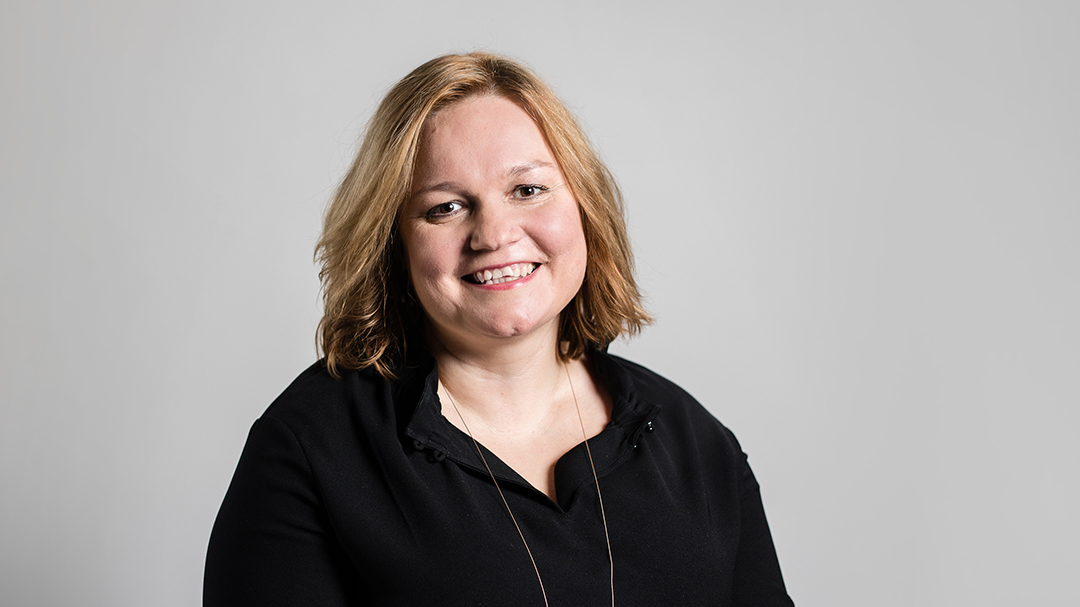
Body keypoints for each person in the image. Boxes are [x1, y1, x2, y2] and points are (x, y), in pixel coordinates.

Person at [204, 52, 795, 607]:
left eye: (527, 190)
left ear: (585, 208)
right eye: (445, 207)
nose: (493, 234)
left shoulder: (697, 444)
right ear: (393, 245)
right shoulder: (310, 448)